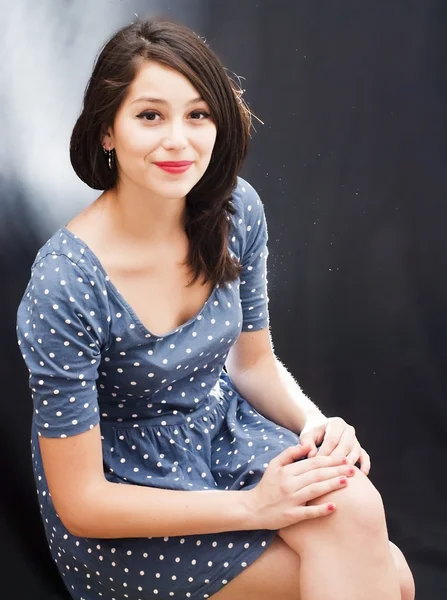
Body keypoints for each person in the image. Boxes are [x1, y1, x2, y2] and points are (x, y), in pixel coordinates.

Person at [16, 17, 414, 600]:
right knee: (391, 579)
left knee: (358, 511)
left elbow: (252, 364)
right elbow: (83, 504)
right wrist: (255, 507)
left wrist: (315, 425)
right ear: (107, 130)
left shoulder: (234, 211)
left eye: (197, 114)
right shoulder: (64, 284)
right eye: (151, 115)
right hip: (128, 496)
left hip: (222, 435)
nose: (178, 139)